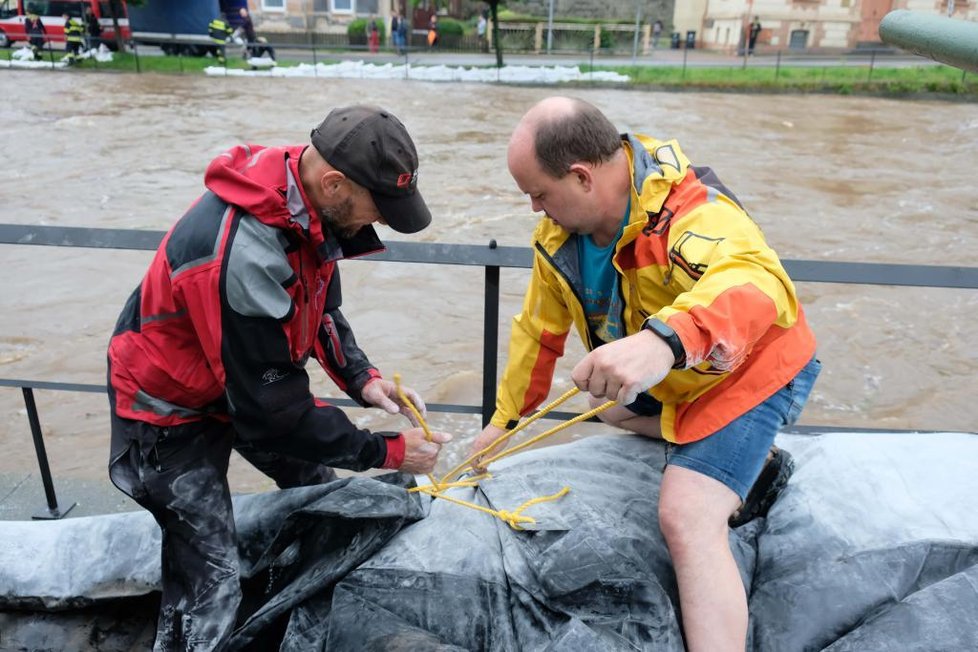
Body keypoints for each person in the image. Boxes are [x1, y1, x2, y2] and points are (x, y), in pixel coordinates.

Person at [470, 97, 820, 652]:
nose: (536, 209)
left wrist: (664, 341)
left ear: (581, 176)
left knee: (685, 517)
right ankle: (754, 463)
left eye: (539, 193)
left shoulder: (692, 210)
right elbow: (539, 332)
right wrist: (504, 423)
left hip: (750, 372)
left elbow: (757, 283)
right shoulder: (559, 239)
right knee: (604, 403)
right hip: (683, 377)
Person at [107, 104, 452, 650]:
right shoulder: (241, 250)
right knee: (209, 579)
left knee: (319, 489)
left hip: (240, 381)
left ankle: (301, 599)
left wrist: (364, 378)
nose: (381, 221)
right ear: (335, 183)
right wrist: (388, 452)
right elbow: (274, 414)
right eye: (378, 208)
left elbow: (323, 314)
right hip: (167, 410)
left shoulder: (308, 205)